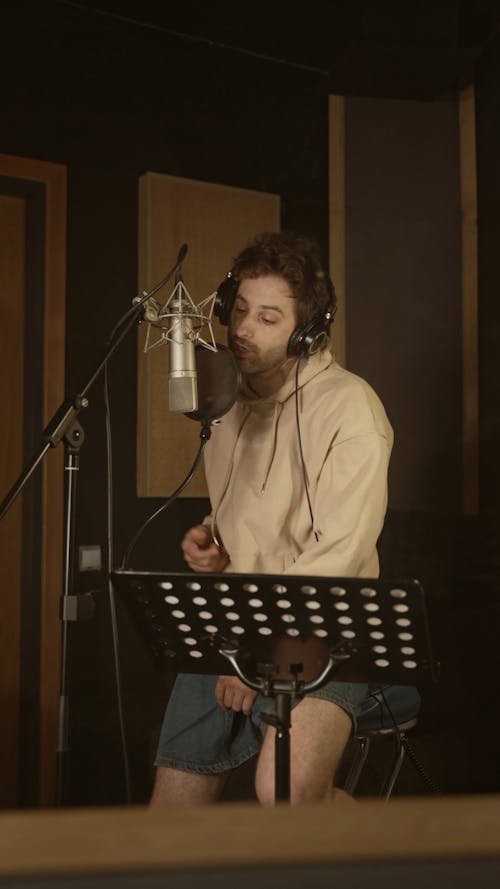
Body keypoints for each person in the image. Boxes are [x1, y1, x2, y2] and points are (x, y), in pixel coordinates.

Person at [150, 231, 419, 806]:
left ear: (305, 332)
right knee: (170, 817)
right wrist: (213, 546)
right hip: (234, 622)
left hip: (325, 629)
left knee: (286, 794)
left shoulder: (352, 409)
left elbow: (338, 558)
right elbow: (246, 518)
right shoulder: (225, 404)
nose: (244, 329)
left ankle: (368, 839)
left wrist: (256, 654)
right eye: (239, 311)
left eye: (269, 318)